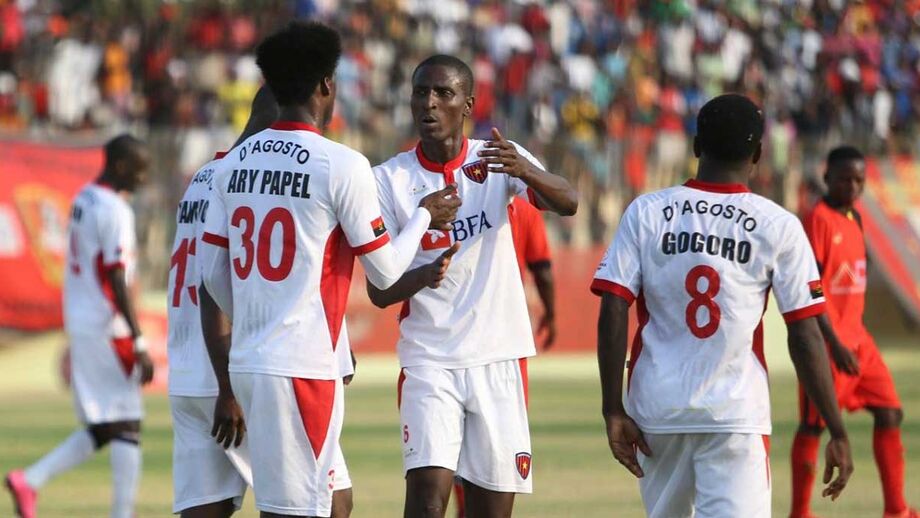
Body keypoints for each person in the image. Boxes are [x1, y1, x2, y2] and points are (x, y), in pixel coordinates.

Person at [198, 22, 460, 518]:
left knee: (325, 502)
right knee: (300, 511)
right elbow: (385, 273)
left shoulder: (230, 165)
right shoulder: (340, 163)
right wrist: (425, 215)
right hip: (303, 367)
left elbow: (211, 274)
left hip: (250, 362)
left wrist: (257, 314)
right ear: (326, 85)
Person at [592, 94, 853, 518]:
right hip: (734, 412)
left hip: (657, 411)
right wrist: (836, 429)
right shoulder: (778, 225)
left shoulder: (646, 211)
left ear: (697, 146)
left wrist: (612, 408)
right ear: (759, 154)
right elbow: (805, 335)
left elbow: (613, 308)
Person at [369, 54, 578, 518]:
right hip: (429, 359)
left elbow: (569, 202)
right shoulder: (388, 179)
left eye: (443, 93)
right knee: (426, 502)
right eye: (420, 92)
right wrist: (423, 275)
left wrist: (525, 171)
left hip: (497, 357)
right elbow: (379, 290)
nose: (429, 102)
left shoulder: (499, 157)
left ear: (468, 104)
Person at [6, 135, 154, 518]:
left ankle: (30, 480)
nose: (143, 179)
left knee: (106, 425)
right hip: (107, 325)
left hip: (82, 318)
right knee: (127, 423)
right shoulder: (115, 210)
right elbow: (116, 276)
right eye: (139, 171)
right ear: (121, 166)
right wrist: (138, 340)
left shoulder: (84, 197)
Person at [790, 146, 917, 518]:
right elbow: (812, 286)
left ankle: (895, 509)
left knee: (890, 413)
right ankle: (800, 512)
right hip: (828, 346)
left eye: (859, 180)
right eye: (845, 179)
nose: (853, 186)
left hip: (860, 340)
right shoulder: (818, 219)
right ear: (827, 178)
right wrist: (832, 341)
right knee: (812, 427)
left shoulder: (856, 217)